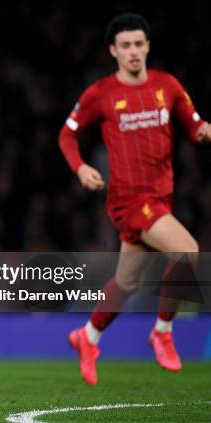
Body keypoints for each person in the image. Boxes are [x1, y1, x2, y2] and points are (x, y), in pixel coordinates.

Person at [58, 13, 211, 385]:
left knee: (127, 282)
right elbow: (66, 135)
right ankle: (162, 332)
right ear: (113, 50)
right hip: (129, 200)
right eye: (125, 46)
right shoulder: (101, 93)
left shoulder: (167, 86)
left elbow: (195, 126)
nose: (133, 52)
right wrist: (80, 168)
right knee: (188, 251)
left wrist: (204, 131)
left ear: (147, 47)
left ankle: (88, 336)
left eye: (138, 44)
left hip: (161, 198)